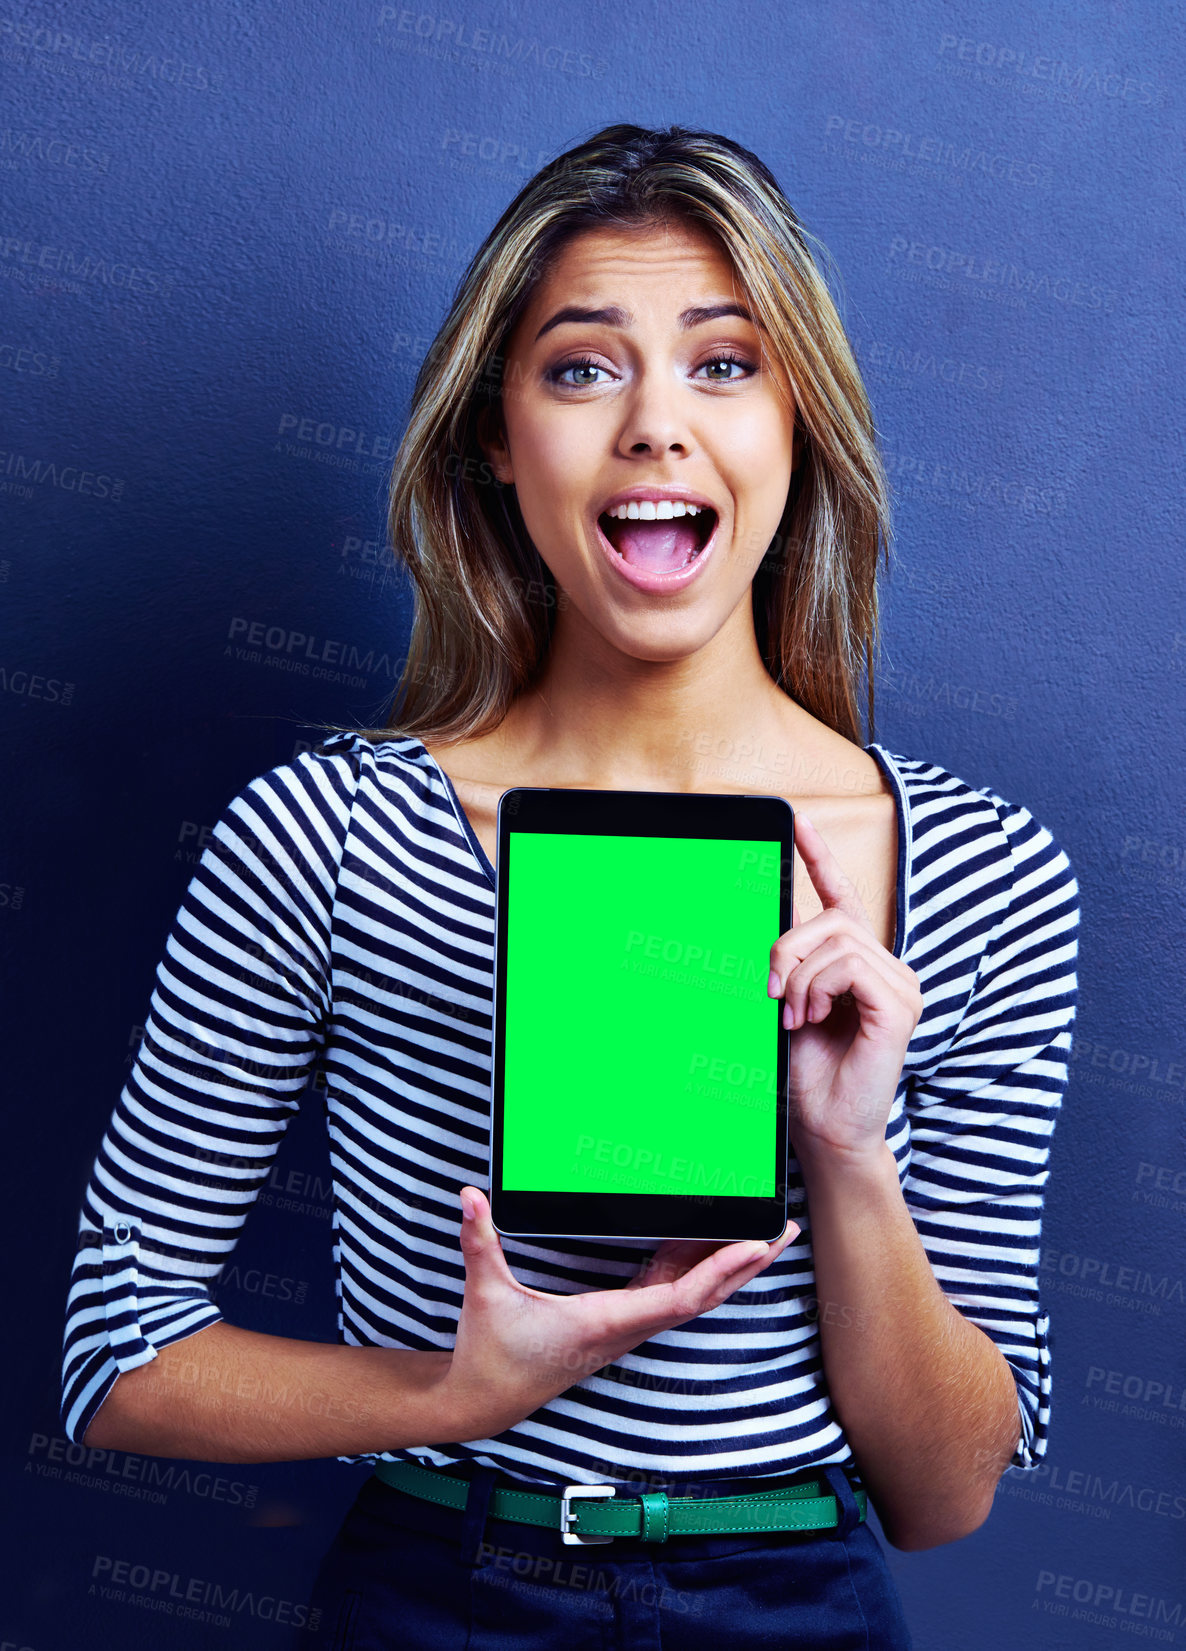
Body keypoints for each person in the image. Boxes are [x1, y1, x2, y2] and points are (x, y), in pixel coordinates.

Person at [60, 124, 1080, 1648]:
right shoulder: (326, 832)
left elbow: (944, 1498)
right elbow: (115, 1361)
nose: (656, 425)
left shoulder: (985, 868)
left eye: (725, 364)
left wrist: (851, 1152)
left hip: (800, 1595)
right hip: (439, 1586)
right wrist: (460, 1391)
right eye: (582, 367)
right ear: (494, 434)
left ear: (798, 421)